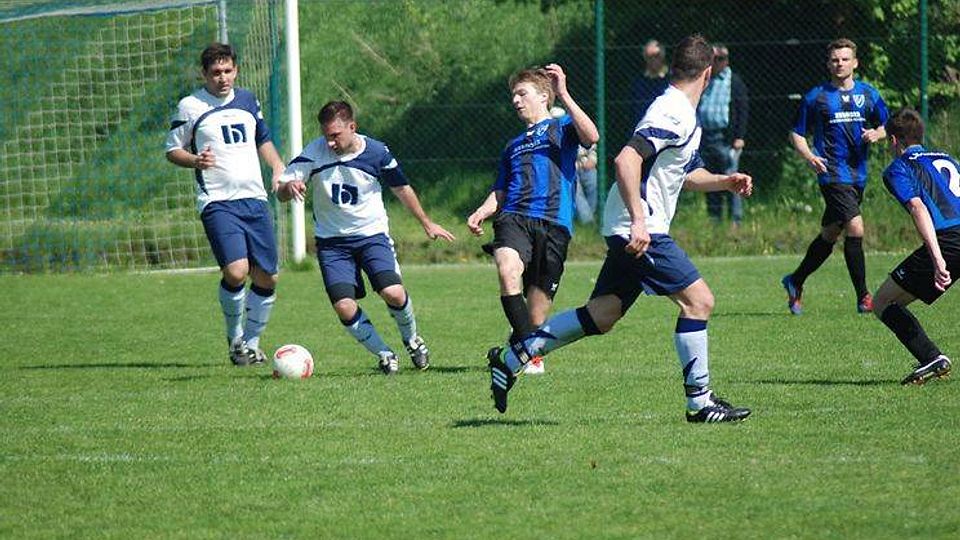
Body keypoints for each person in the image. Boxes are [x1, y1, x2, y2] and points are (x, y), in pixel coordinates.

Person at [486, 35, 753, 423]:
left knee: (603, 313)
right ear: (708, 74)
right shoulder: (672, 111)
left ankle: (512, 358)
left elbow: (684, 173)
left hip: (628, 224)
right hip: (639, 227)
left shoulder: (680, 112)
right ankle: (700, 401)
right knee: (700, 301)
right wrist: (640, 220)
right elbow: (626, 160)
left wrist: (724, 180)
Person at [276, 101, 455, 374]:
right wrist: (291, 186)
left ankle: (413, 340)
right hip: (332, 243)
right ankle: (385, 354)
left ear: (352, 127)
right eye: (326, 135)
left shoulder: (376, 152)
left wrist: (426, 222)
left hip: (372, 237)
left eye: (336, 135)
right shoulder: (315, 152)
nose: (330, 142)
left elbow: (401, 188)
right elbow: (281, 191)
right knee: (345, 307)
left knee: (393, 293)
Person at [467, 65, 599, 375]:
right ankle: (530, 354)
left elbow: (592, 136)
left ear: (543, 96)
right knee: (507, 268)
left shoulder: (562, 127)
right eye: (513, 95)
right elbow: (500, 191)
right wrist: (482, 211)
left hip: (554, 226)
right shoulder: (511, 146)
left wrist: (563, 93)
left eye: (521, 93)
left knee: (537, 315)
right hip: (514, 218)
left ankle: (513, 349)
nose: (515, 100)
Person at [165, 42, 285, 366]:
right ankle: (235, 340)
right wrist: (194, 160)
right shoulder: (190, 106)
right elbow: (172, 149)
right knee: (236, 271)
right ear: (204, 74)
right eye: (215, 72)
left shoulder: (247, 100)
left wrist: (277, 167)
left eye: (227, 70)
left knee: (268, 277)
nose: (222, 78)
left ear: (236, 70)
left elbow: (263, 139)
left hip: (255, 198)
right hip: (218, 200)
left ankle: (251, 343)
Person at [782, 38, 889, 315]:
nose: (839, 64)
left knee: (830, 234)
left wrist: (878, 133)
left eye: (844, 59)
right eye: (834, 60)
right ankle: (864, 297)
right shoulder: (816, 97)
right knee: (856, 227)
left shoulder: (868, 94)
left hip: (858, 176)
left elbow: (888, 124)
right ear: (828, 64)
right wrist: (809, 156)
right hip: (831, 175)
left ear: (855, 63)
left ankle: (795, 281)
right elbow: (797, 133)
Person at [872, 108, 956, 385]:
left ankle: (930, 357)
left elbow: (918, 207)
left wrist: (937, 259)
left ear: (894, 141)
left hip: (949, 240)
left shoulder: (899, 167)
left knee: (883, 301)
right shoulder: (948, 158)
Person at [697, 43, 748, 227]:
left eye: (721, 59)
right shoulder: (704, 80)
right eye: (714, 59)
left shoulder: (734, 81)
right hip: (705, 137)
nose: (718, 62)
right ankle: (715, 220)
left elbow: (742, 109)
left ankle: (735, 220)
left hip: (726, 139)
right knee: (709, 180)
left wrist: (739, 137)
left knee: (732, 178)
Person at [631, 39, 669, 125]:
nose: (653, 60)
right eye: (650, 56)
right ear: (645, 58)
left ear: (663, 56)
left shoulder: (672, 80)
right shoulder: (639, 83)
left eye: (657, 55)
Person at [574, 143, 599, 224]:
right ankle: (588, 221)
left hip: (587, 162)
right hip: (571, 165)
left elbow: (592, 147)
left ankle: (589, 216)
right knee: (577, 192)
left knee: (593, 184)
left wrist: (592, 159)